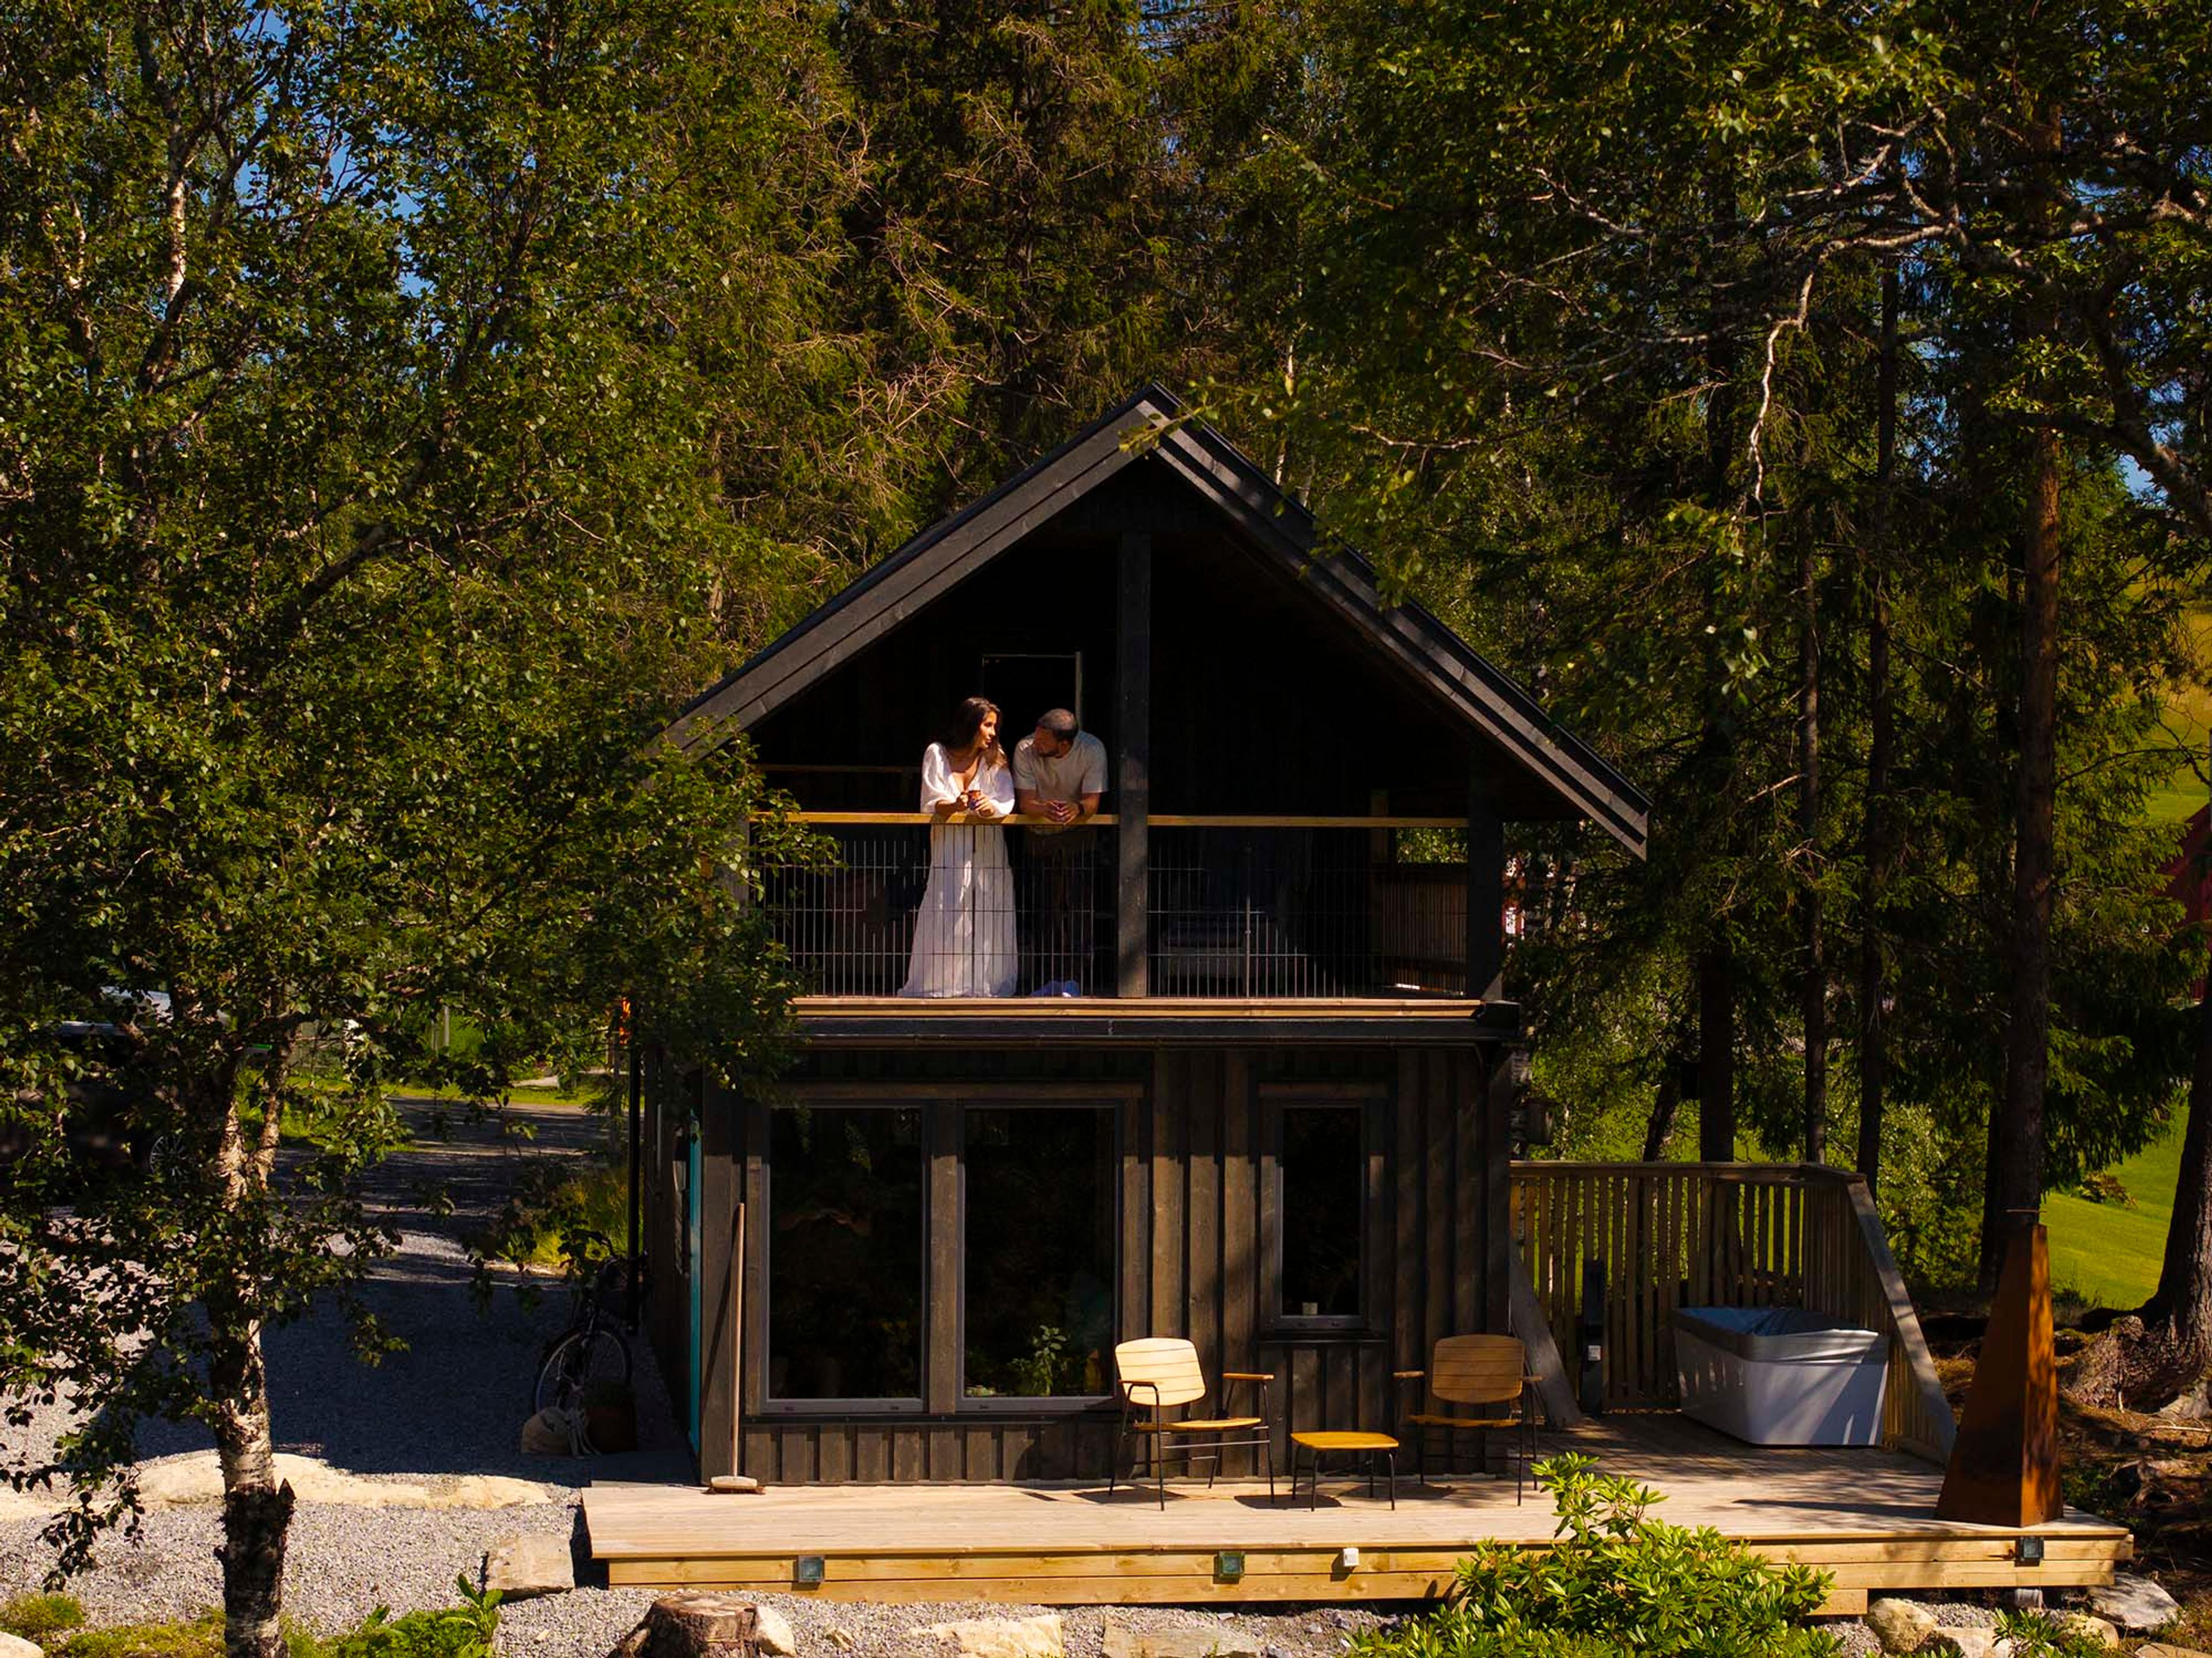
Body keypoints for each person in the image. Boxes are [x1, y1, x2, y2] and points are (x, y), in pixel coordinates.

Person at [900, 696, 1017, 997]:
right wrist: (955, 804)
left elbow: (1004, 800)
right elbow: (931, 801)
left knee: (988, 905)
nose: (992, 733)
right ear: (970, 724)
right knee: (948, 904)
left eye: (995, 726)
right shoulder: (937, 754)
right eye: (987, 725)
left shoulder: (996, 758)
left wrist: (988, 807)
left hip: (987, 844)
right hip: (950, 844)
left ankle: (984, 984)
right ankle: (940, 983)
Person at [1012, 709, 1107, 990]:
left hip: (1078, 832)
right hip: (1040, 833)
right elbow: (1025, 802)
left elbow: (1093, 802)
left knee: (1078, 908)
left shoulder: (1092, 749)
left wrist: (1076, 809)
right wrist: (1045, 809)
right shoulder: (1024, 748)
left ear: (1064, 744)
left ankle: (1076, 980)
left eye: (1043, 741)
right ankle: (1049, 979)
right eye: (1036, 737)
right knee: (1046, 908)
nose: (1036, 744)